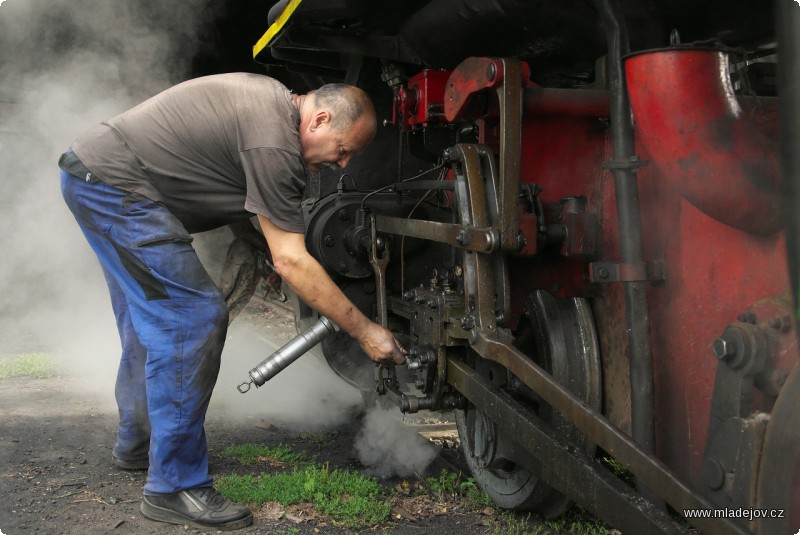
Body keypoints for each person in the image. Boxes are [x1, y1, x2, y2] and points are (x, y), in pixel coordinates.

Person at [59, 73, 406, 531]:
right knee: (192, 319)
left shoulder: (271, 110)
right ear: (320, 119)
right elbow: (291, 260)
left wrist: (257, 243)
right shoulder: (275, 144)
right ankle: (174, 486)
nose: (342, 165)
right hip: (115, 188)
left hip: (93, 174)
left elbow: (237, 197)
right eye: (343, 150)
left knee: (152, 319)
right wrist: (366, 331)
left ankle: (138, 442)